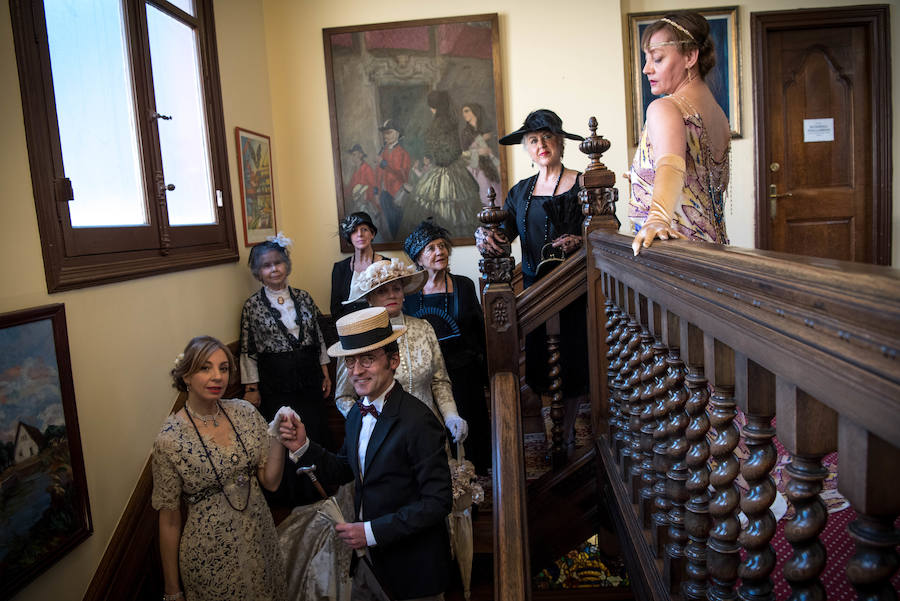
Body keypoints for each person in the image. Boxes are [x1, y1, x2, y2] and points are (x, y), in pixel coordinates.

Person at [278, 306, 453, 601]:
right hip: (369, 565)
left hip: (414, 570)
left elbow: (438, 502)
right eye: (350, 361)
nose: (356, 371)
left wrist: (370, 532)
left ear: (393, 361)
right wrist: (304, 447)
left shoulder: (418, 421)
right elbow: (345, 468)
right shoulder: (358, 414)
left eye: (368, 359)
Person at [475, 108, 588, 454]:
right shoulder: (520, 192)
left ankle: (567, 433)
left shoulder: (583, 182)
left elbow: (602, 233)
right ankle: (549, 426)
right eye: (534, 140)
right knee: (539, 367)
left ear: (560, 143)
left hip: (574, 290)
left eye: (548, 138)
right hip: (536, 294)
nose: (541, 145)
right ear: (526, 147)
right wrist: (484, 236)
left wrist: (581, 242)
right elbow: (503, 234)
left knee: (573, 367)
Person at [152, 336, 287, 601]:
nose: (217, 377)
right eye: (205, 368)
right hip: (209, 554)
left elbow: (270, 482)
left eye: (223, 368)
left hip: (260, 539)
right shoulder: (169, 440)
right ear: (186, 376)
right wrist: (172, 589)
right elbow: (168, 521)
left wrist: (280, 438)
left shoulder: (245, 412)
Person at [239, 233, 332, 504]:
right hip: (277, 381)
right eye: (267, 265)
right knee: (285, 431)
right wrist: (251, 387)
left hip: (308, 377)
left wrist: (325, 370)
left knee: (313, 428)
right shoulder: (252, 306)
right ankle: (292, 494)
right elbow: (248, 348)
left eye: (278, 263)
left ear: (287, 265)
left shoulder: (303, 297)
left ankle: (320, 488)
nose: (274, 269)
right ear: (258, 272)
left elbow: (319, 336)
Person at [335, 258, 469, 446]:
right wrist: (367, 423)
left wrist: (451, 416)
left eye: (396, 289)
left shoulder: (424, 328)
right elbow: (343, 397)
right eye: (382, 291)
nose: (392, 295)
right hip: (383, 439)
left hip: (429, 432)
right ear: (369, 298)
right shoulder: (358, 337)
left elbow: (440, 381)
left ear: (404, 293)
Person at [629, 12, 730, 256]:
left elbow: (671, 166)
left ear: (690, 56)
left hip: (676, 255)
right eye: (647, 59)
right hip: (715, 250)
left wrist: (656, 219)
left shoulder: (666, 107)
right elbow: (702, 181)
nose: (646, 69)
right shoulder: (719, 116)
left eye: (657, 59)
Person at [403, 219, 491, 474]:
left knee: (472, 426)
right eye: (430, 248)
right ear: (418, 259)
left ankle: (476, 476)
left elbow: (478, 328)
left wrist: (486, 371)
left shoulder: (464, 284)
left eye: (442, 246)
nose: (439, 252)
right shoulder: (408, 296)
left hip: (465, 372)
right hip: (429, 376)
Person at [405, 90, 482, 238]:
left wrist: (441, 158)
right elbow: (453, 150)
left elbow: (447, 150)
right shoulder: (450, 122)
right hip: (450, 167)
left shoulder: (437, 124)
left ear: (434, 107)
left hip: (444, 167)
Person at [330, 212, 384, 319]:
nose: (360, 234)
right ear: (350, 237)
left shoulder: (386, 264)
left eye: (364, 229)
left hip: (380, 323)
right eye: (354, 231)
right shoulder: (340, 268)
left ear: (372, 234)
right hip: (349, 327)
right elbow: (335, 308)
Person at [375, 119, 411, 240]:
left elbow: (403, 175)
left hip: (397, 194)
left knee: (397, 224)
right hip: (384, 193)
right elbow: (378, 173)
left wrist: (384, 164)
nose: (386, 136)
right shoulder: (383, 151)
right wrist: (376, 191)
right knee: (387, 225)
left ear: (397, 133)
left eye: (389, 132)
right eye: (385, 133)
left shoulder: (403, 153)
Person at [460, 102, 502, 205]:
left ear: (474, 111)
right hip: (476, 167)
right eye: (463, 112)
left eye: (466, 111)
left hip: (492, 164)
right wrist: (479, 151)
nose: (464, 114)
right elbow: (463, 154)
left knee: (497, 191)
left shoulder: (487, 129)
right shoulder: (465, 133)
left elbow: (496, 147)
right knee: (485, 191)